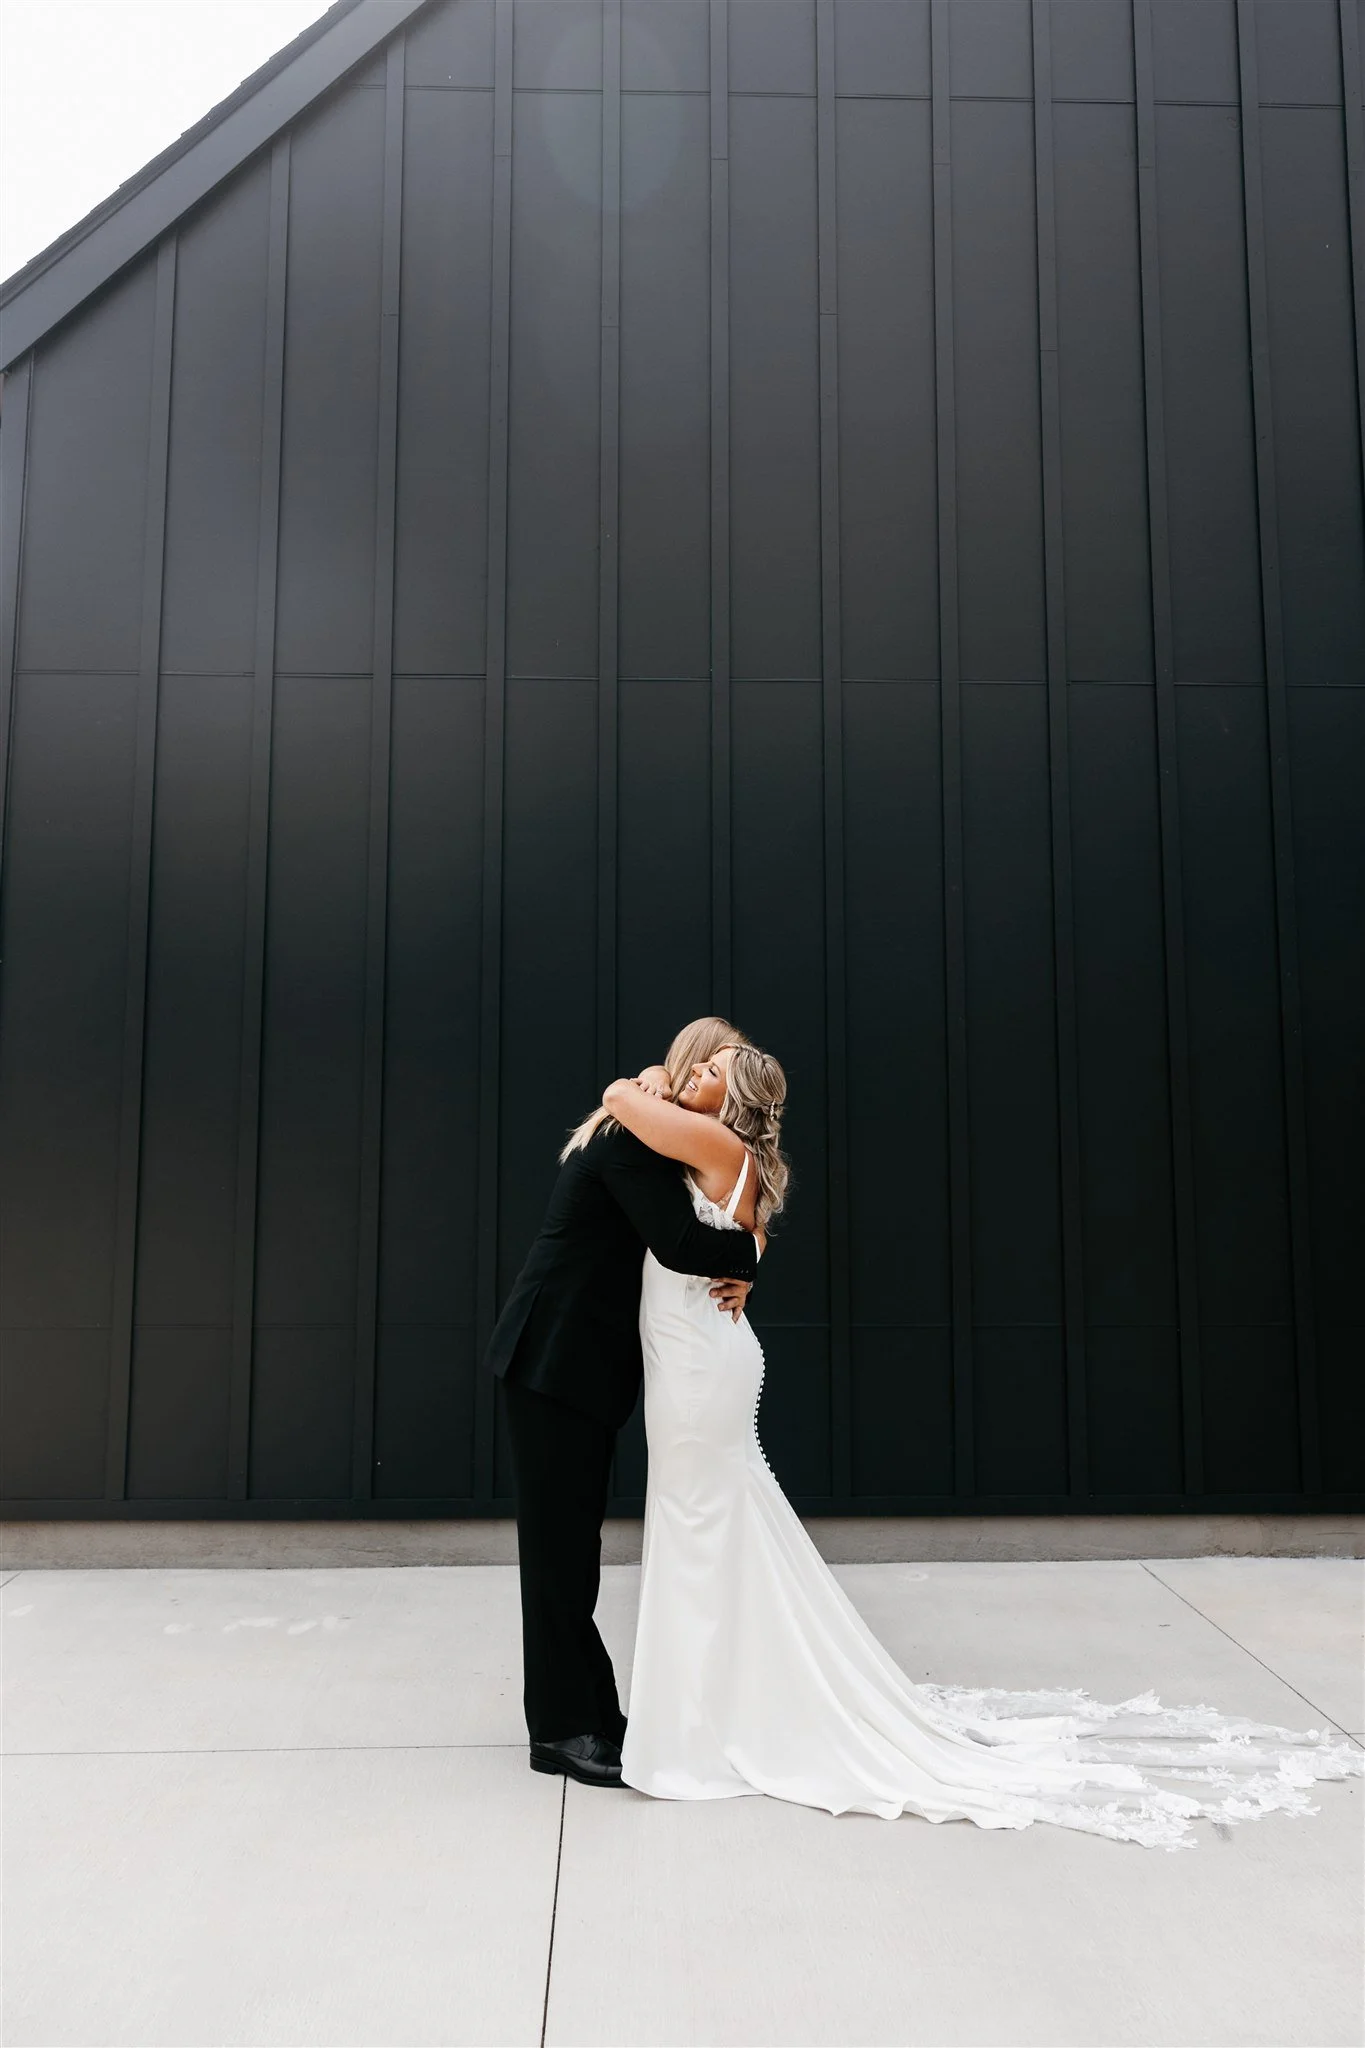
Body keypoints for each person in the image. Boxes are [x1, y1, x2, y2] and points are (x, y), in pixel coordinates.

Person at [601, 1046, 1363, 1848]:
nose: (693, 1072)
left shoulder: (714, 1145)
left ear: (737, 1097)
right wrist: (747, 1248)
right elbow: (742, 1237)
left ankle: (696, 1726)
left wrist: (638, 1082)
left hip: (699, 1370)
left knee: (697, 1528)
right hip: (701, 1358)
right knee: (713, 1529)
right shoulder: (740, 1156)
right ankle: (725, 1700)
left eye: (712, 1067)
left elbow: (622, 1100)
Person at [487, 1017, 758, 1788]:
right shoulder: (634, 1137)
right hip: (553, 1362)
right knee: (557, 1559)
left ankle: (592, 1714)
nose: (720, 1090)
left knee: (572, 1553)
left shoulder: (641, 1121)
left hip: (576, 1366)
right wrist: (755, 1250)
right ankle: (562, 1733)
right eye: (710, 1070)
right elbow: (679, 1243)